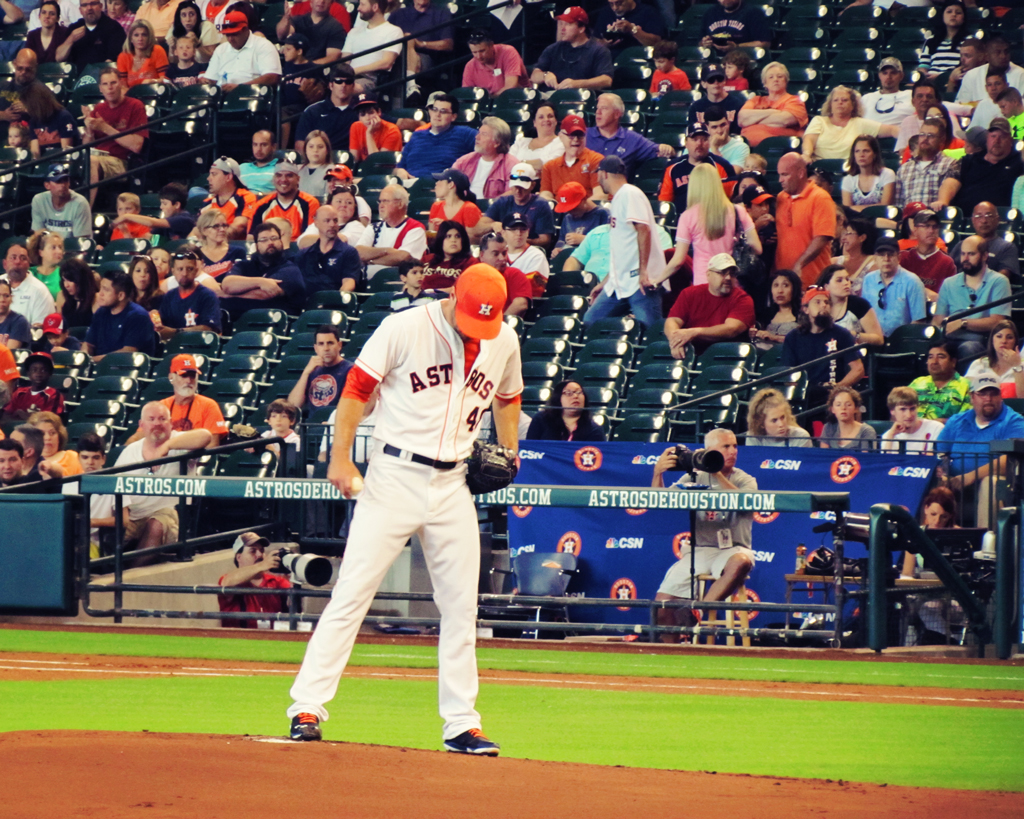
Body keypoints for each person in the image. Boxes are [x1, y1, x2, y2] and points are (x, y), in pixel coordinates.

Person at [286, 264, 523, 755]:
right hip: (393, 476)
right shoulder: (405, 326)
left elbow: (508, 396)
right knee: (352, 593)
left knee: (461, 607)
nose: (478, 328)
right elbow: (355, 390)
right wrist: (340, 456)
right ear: (454, 295)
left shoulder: (504, 339)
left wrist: (509, 448)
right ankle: (307, 706)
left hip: (453, 481)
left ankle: (461, 724)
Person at [651, 428, 756, 642]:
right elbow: (660, 502)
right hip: (699, 550)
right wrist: (657, 473)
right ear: (708, 450)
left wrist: (715, 471)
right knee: (662, 605)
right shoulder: (694, 477)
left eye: (735, 446)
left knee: (742, 562)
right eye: (725, 446)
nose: (732, 451)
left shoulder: (746, 480)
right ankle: (671, 659)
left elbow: (742, 499)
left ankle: (698, 610)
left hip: (733, 549)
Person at [115, 401, 213, 560]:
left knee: (156, 525)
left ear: (171, 423)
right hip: (133, 516)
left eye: (162, 419)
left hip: (169, 517)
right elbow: (115, 487)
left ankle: (129, 579)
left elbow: (205, 436)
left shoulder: (181, 442)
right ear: (141, 424)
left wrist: (166, 447)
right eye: (151, 419)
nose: (157, 424)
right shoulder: (131, 450)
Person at [583, 156, 665, 329]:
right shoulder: (619, 197)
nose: (597, 179)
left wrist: (644, 271)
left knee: (651, 329)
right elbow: (621, 249)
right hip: (618, 282)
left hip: (640, 281)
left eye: (598, 174)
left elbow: (643, 229)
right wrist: (604, 282)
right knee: (591, 321)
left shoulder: (630, 193)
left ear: (604, 173)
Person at [662, 163, 760, 289]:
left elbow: (678, 260)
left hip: (703, 283)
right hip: (731, 281)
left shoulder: (687, 216)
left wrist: (657, 279)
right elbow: (757, 248)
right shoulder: (738, 211)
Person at [936, 373, 1024, 500]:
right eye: (982, 394)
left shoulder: (1013, 422)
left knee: (991, 483)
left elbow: (1011, 458)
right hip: (954, 482)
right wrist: (943, 473)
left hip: (998, 484)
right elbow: (941, 452)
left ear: (1001, 397)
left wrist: (971, 476)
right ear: (972, 397)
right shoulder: (957, 421)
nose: (988, 399)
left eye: (993, 394)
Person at [781, 286, 865, 409]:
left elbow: (858, 369)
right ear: (806, 309)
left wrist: (837, 389)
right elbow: (788, 374)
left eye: (826, 302)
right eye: (817, 302)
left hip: (831, 394)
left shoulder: (841, 334)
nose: (824, 305)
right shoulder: (793, 337)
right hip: (804, 393)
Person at [933, 235, 1013, 361]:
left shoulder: (999, 281)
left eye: (971, 254)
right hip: (950, 338)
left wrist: (963, 323)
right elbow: (938, 321)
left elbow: (997, 321)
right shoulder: (949, 283)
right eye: (963, 254)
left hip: (981, 339)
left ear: (985, 256)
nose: (965, 259)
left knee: (969, 347)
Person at [663, 251, 754, 358]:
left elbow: (731, 329)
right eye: (722, 272)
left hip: (726, 356)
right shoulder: (689, 293)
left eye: (732, 274)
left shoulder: (742, 298)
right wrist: (676, 341)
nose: (728, 278)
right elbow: (672, 320)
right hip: (690, 353)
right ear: (708, 274)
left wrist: (694, 332)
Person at [81, 67, 148, 206]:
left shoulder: (135, 106)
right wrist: (89, 129)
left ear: (121, 84)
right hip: (99, 158)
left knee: (91, 161)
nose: (110, 88)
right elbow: (86, 145)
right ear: (100, 88)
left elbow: (137, 146)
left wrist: (105, 128)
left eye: (113, 83)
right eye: (105, 84)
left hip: (122, 161)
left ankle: (85, 213)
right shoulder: (99, 109)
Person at [130, 354, 228, 444]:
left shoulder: (208, 405)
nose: (189, 380)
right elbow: (137, 438)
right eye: (184, 375)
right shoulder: (161, 407)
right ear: (171, 377)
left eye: (192, 376)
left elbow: (212, 445)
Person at [774, 153, 835, 288]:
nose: (780, 180)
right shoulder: (781, 198)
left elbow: (822, 237)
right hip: (784, 283)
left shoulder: (820, 198)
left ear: (801, 173)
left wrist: (799, 264)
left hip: (812, 280)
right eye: (779, 175)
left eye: (785, 174)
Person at [941, 118, 1024, 215]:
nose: (997, 141)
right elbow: (951, 181)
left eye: (1002, 137)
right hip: (965, 218)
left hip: (1002, 221)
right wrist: (943, 201)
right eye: (993, 136)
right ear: (987, 139)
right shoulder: (968, 160)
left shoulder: (1019, 161)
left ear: (1010, 140)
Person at [586, 92, 673, 178]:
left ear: (617, 114)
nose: (598, 112)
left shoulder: (632, 139)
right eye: (597, 108)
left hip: (615, 189)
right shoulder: (583, 135)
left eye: (604, 108)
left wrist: (665, 148)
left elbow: (661, 150)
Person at [801, 86, 897, 163]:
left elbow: (892, 130)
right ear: (830, 105)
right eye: (836, 100)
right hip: (820, 167)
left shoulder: (860, 123)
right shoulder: (819, 120)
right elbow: (809, 139)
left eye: (844, 100)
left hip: (849, 170)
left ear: (853, 105)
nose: (840, 103)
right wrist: (807, 154)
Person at [217, 531, 293, 628]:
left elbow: (294, 601)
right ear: (239, 557)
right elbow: (226, 583)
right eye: (253, 551)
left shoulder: (276, 581)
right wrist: (261, 565)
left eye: (261, 550)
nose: (260, 555)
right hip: (239, 640)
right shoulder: (230, 579)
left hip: (271, 640)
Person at [658, 120, 735, 215]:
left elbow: (730, 199)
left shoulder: (722, 165)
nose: (699, 143)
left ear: (709, 142)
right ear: (686, 143)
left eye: (704, 139)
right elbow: (665, 202)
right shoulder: (672, 168)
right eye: (695, 140)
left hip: (714, 220)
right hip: (680, 220)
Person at [395, 93, 477, 181]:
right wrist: (399, 171)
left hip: (443, 186)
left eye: (443, 111)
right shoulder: (416, 136)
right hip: (411, 185)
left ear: (453, 117)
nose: (437, 114)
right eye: (434, 110)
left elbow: (487, 144)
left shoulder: (465, 134)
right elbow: (399, 167)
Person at [530, 6, 613, 92]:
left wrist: (576, 84)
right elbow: (534, 76)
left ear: (581, 28)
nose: (562, 29)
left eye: (568, 24)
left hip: (580, 97)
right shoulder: (553, 49)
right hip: (551, 96)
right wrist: (545, 75)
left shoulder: (598, 50)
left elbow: (606, 80)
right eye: (562, 24)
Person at [860, 235, 927, 339]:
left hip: (903, 342)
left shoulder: (913, 282)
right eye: (882, 255)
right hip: (874, 340)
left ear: (899, 257)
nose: (886, 259)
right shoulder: (868, 280)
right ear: (875, 259)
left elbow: (918, 322)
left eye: (891, 255)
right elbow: (864, 315)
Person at [355, 185, 428, 280]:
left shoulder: (415, 228)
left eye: (385, 201)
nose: (381, 205)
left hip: (396, 281)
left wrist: (370, 260)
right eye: (380, 201)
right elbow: (358, 252)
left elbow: (402, 257)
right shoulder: (373, 227)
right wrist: (387, 251)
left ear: (400, 204)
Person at [473, 164, 554, 248]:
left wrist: (517, 240)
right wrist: (493, 225)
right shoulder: (502, 201)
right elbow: (477, 229)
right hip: (501, 247)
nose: (518, 191)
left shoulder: (541, 205)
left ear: (532, 185)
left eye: (522, 187)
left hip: (527, 249)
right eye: (515, 187)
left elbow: (545, 240)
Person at [201, 9, 281, 91]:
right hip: (222, 97)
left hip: (253, 96)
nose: (230, 39)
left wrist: (240, 88)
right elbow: (211, 79)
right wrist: (206, 81)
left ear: (245, 29)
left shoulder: (263, 45)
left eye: (234, 34)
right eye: (227, 35)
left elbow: (272, 77)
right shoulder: (221, 49)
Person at [152, 249, 222, 340]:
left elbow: (209, 329)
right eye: (180, 269)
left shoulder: (208, 296)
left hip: (199, 346)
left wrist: (176, 332)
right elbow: (162, 325)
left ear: (196, 271)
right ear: (173, 271)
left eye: (190, 269)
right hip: (173, 347)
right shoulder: (169, 296)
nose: (184, 274)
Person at [294, 205, 362, 295]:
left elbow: (349, 282)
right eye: (327, 220)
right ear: (316, 222)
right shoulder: (303, 254)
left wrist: (336, 299)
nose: (332, 225)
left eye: (335, 220)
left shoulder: (349, 252)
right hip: (307, 303)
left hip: (334, 303)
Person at [737, 62, 808, 148]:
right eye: (771, 77)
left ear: (786, 80)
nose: (775, 79)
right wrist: (772, 112)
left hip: (777, 148)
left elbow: (784, 120)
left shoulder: (795, 100)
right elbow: (742, 119)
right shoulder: (756, 100)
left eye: (780, 76)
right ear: (765, 83)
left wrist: (753, 121)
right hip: (745, 148)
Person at [294, 63, 359, 154]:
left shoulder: (362, 110)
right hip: (320, 162)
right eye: (338, 81)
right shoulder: (312, 111)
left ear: (353, 86)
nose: (343, 85)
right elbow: (300, 143)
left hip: (352, 162)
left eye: (348, 82)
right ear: (331, 85)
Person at [895, 117, 958, 211]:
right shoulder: (904, 168)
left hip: (935, 219)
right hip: (909, 220)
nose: (925, 139)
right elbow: (898, 204)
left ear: (941, 140)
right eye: (922, 134)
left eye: (931, 135)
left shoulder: (950, 164)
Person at [287, 324, 352, 411]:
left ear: (339, 345)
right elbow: (293, 406)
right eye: (321, 344)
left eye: (330, 343)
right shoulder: (312, 371)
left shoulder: (350, 370)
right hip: (312, 423)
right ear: (316, 348)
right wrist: (306, 373)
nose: (326, 348)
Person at [815, 263, 884, 348]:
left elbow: (879, 339)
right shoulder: (818, 307)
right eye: (839, 280)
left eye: (847, 279)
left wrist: (855, 336)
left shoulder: (859, 304)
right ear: (826, 286)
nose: (846, 283)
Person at [951, 202, 1020, 283]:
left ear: (998, 219)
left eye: (989, 216)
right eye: (979, 216)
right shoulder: (962, 245)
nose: (984, 221)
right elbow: (949, 269)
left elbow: (1004, 275)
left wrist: (980, 286)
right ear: (973, 220)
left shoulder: (1007, 247)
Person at [452, 116, 518, 200]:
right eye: (479, 133)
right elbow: (449, 184)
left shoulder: (512, 165)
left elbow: (512, 192)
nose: (477, 137)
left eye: (484, 134)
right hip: (464, 207)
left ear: (497, 142)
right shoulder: (465, 161)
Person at [250, 163, 320, 240]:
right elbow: (251, 237)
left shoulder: (310, 203)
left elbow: (310, 237)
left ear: (298, 179)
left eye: (289, 175)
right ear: (273, 179)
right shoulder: (261, 205)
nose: (283, 180)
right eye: (279, 175)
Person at [900, 208, 957, 301]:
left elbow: (950, 298)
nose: (931, 231)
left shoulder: (946, 262)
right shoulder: (903, 258)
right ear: (915, 230)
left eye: (935, 227)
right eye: (926, 226)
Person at [341, 0, 403, 84]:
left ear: (375, 7)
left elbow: (386, 62)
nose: (358, 8)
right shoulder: (353, 32)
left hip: (370, 80)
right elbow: (345, 60)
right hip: (348, 78)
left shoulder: (393, 31)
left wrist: (354, 71)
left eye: (362, 5)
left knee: (343, 89)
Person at [526, 378, 605, 441]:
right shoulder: (541, 419)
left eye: (579, 392)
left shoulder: (594, 430)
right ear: (558, 399)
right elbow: (529, 449)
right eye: (568, 393)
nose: (575, 396)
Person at [962, 320, 1024, 399]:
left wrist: (1017, 366)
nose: (1004, 341)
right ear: (992, 340)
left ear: (1015, 342)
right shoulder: (979, 364)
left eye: (1009, 337)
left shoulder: (1021, 366)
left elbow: (1022, 399)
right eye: (999, 336)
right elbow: (967, 394)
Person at [956, 34, 1024, 106]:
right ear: (987, 56)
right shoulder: (972, 75)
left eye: (1006, 52)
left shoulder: (1021, 74)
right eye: (997, 52)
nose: (1003, 56)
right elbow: (961, 105)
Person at [57, 0, 126, 70]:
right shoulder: (74, 28)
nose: (89, 8)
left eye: (93, 4)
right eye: (85, 5)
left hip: (103, 75)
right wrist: (70, 39)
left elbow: (114, 59)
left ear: (101, 6)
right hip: (77, 77)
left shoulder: (113, 27)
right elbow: (59, 58)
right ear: (80, 10)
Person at [909, 341, 970, 422]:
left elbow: (966, 421)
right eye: (930, 357)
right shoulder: (917, 383)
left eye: (941, 357)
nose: (934, 362)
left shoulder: (966, 386)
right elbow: (897, 411)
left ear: (953, 362)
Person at [476, 232, 532, 317]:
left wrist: (500, 324)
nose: (502, 258)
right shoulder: (472, 275)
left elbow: (521, 304)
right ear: (482, 255)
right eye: (495, 254)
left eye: (504, 253)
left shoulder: (515, 274)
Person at [30, 164, 91, 241]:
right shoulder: (39, 200)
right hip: (48, 250)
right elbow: (38, 235)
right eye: (58, 181)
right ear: (47, 185)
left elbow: (80, 242)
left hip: (72, 250)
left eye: (66, 180)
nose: (63, 185)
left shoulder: (80, 203)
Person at [2, 242, 56, 327]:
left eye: (23, 258)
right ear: (4, 264)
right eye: (13, 257)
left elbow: (39, 333)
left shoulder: (40, 291)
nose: (17, 261)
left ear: (28, 264)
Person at [462, 29, 528, 98]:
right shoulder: (470, 66)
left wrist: (490, 100)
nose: (479, 56)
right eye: (474, 52)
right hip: (487, 104)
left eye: (482, 51)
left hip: (517, 98)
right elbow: (467, 94)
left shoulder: (508, 52)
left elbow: (510, 87)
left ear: (491, 45)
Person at [203, 156, 257, 240]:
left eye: (214, 174)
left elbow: (239, 225)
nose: (208, 178)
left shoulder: (245, 197)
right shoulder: (207, 202)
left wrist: (217, 239)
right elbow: (197, 230)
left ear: (228, 177)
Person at [276, 0, 346, 65]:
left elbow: (332, 57)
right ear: (311, 1)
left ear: (331, 3)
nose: (321, 1)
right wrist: (286, 18)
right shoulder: (298, 20)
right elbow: (281, 35)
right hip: (294, 68)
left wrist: (308, 66)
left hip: (317, 71)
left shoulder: (335, 27)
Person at [592, 0, 666, 61]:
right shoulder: (606, 12)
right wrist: (605, 43)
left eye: (619, 3)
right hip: (612, 58)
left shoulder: (648, 12)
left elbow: (656, 43)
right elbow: (596, 40)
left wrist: (632, 30)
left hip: (640, 57)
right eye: (611, 4)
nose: (615, 8)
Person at [880, 387, 944, 455]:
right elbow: (886, 463)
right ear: (892, 411)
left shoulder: (936, 428)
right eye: (903, 409)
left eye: (912, 409)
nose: (909, 415)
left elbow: (943, 461)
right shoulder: (888, 436)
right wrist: (891, 435)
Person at [552, 181, 609, 255]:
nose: (570, 212)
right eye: (567, 209)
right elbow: (561, 241)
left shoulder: (603, 214)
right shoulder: (568, 218)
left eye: (574, 208)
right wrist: (558, 249)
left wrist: (584, 239)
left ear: (584, 200)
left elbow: (609, 242)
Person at [3, 352, 63, 420]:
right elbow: (6, 415)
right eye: (34, 370)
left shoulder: (54, 395)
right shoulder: (19, 392)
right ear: (28, 373)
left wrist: (22, 414)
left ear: (50, 373)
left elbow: (50, 421)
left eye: (43, 370)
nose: (38, 374)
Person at [841, 135, 895, 212]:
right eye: (857, 151)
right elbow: (847, 210)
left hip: (882, 219)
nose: (861, 155)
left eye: (866, 151)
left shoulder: (887, 174)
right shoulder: (848, 179)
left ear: (875, 154)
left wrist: (857, 208)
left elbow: (885, 206)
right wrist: (875, 206)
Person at [751, 269, 800, 351]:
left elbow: (803, 340)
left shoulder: (803, 314)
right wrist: (753, 334)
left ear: (794, 289)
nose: (780, 291)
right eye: (776, 285)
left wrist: (774, 338)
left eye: (785, 285)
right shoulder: (765, 315)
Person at [348, 91, 402, 165]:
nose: (367, 118)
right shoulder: (355, 127)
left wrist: (369, 133)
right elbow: (354, 160)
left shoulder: (392, 130)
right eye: (363, 115)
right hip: (365, 170)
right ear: (359, 118)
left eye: (371, 112)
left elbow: (378, 163)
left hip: (387, 171)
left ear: (379, 112)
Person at [510, 102, 565, 173]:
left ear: (556, 121)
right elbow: (508, 163)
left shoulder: (561, 143)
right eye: (541, 117)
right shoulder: (521, 142)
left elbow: (548, 164)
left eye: (550, 116)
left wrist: (520, 164)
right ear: (534, 123)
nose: (546, 119)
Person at [421, 220, 476, 291]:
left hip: (451, 299)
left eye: (457, 236)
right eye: (448, 236)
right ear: (441, 239)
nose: (453, 240)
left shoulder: (470, 262)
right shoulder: (426, 259)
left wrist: (435, 291)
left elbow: (465, 288)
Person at [699, 0, 770, 54]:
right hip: (714, 58)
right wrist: (705, 43)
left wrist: (737, 47)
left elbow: (764, 43)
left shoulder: (753, 13)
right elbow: (700, 42)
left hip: (743, 58)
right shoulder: (710, 13)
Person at [745, 388, 810, 447]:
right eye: (774, 420)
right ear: (761, 424)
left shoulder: (801, 437)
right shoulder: (753, 437)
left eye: (782, 417)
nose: (781, 424)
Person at [689, 61, 743, 133]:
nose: (716, 82)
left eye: (719, 79)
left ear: (724, 81)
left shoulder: (737, 104)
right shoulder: (696, 107)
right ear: (703, 84)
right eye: (711, 80)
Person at [919, 1, 967, 79]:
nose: (953, 14)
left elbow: (965, 67)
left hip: (954, 80)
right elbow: (923, 66)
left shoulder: (968, 41)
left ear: (964, 18)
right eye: (949, 12)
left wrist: (941, 77)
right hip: (931, 81)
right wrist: (924, 76)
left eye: (958, 13)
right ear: (942, 16)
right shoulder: (931, 40)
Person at [819, 385, 875, 451]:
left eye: (848, 405)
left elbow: (866, 459)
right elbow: (823, 457)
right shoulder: (828, 428)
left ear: (856, 408)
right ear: (832, 409)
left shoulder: (866, 431)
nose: (843, 408)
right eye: (838, 405)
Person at [861, 57, 914, 126]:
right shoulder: (866, 98)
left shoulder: (910, 95)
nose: (888, 76)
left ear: (901, 76)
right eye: (885, 73)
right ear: (879, 75)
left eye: (893, 73)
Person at [117, 19, 168, 88]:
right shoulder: (123, 56)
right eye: (136, 35)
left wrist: (153, 81)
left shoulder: (157, 50)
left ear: (149, 37)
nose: (140, 38)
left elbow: (166, 80)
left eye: (144, 35)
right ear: (131, 38)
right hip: (131, 96)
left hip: (154, 94)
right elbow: (123, 86)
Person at [29, 410, 81, 475]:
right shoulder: (25, 461)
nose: (47, 438)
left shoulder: (73, 457)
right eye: (42, 434)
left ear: (59, 436)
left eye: (52, 433)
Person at [57, 257, 98, 330]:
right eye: (64, 280)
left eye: (70, 280)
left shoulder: (96, 299)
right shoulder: (61, 296)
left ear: (81, 279)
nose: (66, 285)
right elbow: (59, 328)